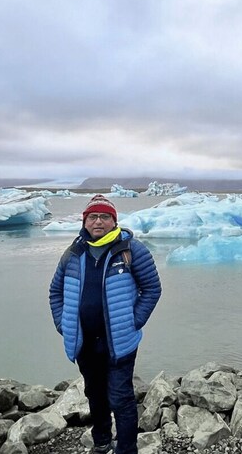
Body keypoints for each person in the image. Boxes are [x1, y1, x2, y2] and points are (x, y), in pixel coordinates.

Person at [49, 194, 162, 454]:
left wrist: (134, 321)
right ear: (85, 221)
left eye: (104, 216)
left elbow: (152, 289)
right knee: (94, 394)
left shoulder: (131, 250)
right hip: (85, 342)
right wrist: (63, 325)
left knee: (121, 398)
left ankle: (126, 449)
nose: (98, 221)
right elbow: (55, 292)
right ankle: (101, 441)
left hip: (119, 341)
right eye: (93, 216)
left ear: (114, 221)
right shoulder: (73, 253)